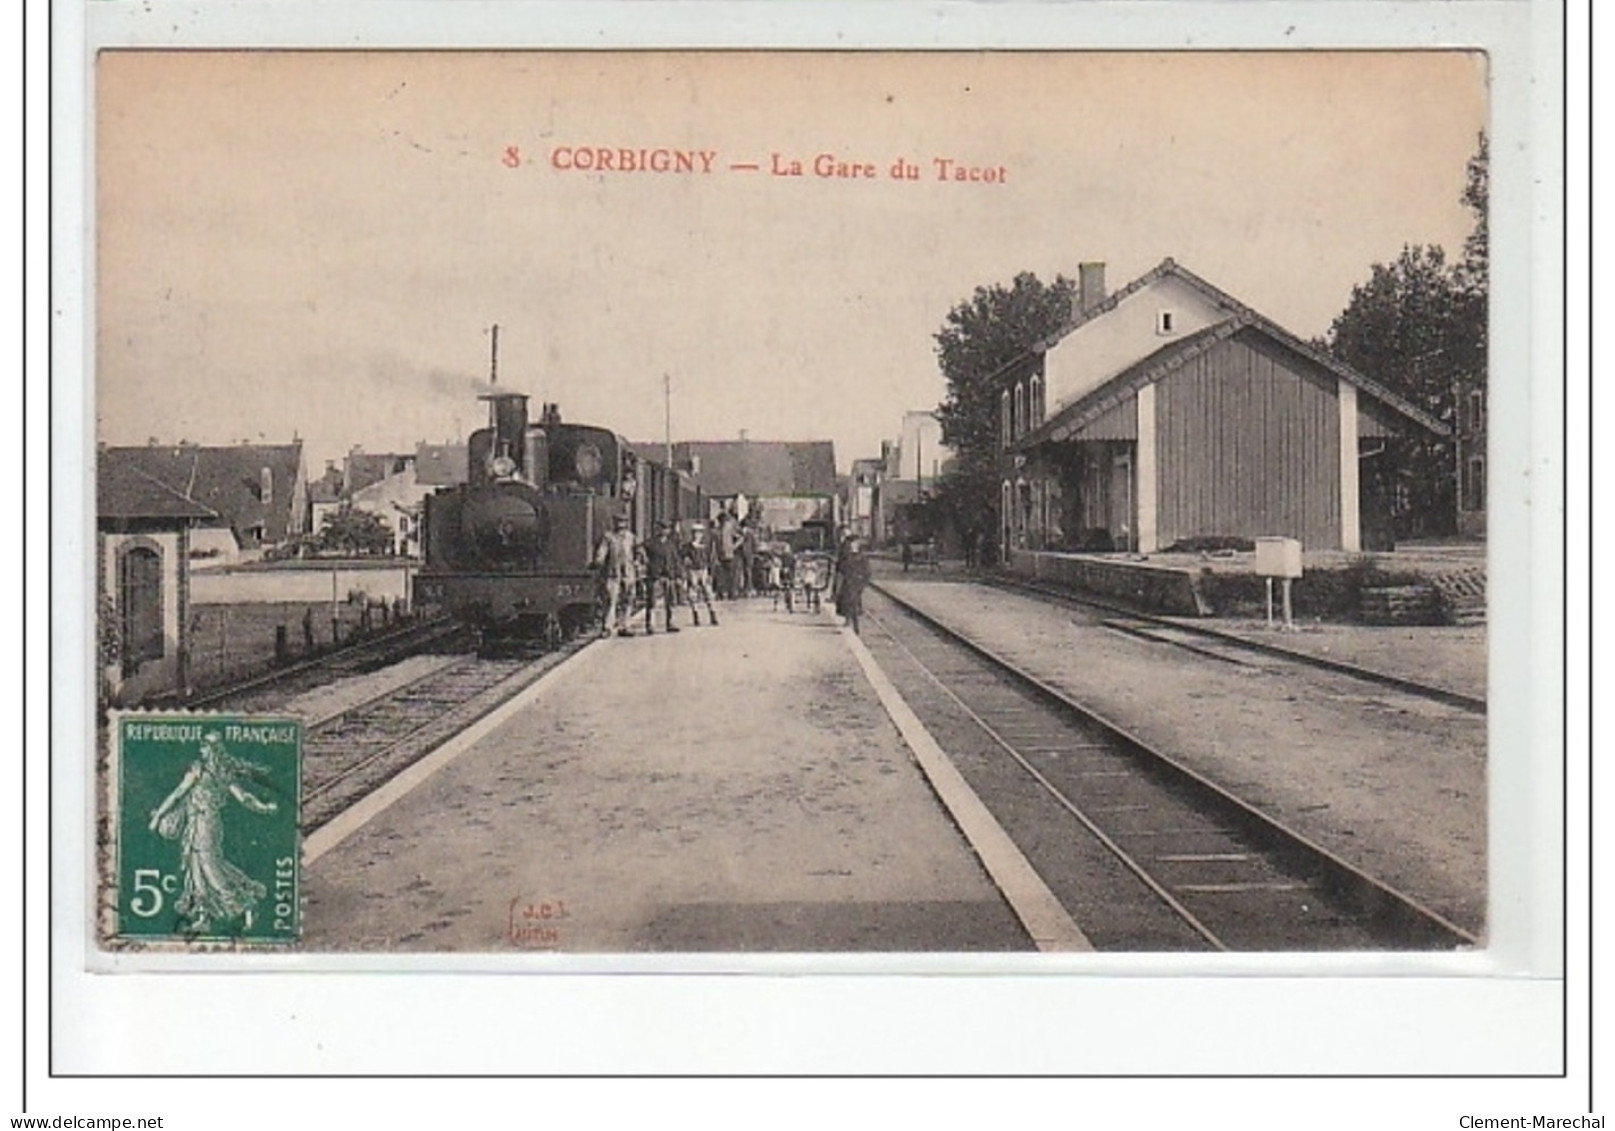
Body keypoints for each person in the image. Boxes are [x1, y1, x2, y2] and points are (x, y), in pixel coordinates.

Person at [147, 731, 278, 933]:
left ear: (211, 749)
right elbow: (245, 798)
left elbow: (177, 795)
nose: (201, 750)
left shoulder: (198, 771)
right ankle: (204, 917)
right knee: (197, 868)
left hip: (203, 824)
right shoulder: (224, 773)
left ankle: (246, 905)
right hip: (203, 823)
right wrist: (263, 807)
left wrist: (158, 817)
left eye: (204, 746)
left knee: (210, 868)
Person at [593, 512, 639, 637]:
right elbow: (602, 551)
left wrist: (638, 563)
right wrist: (599, 560)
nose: (621, 524)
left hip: (628, 573)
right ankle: (608, 627)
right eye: (619, 522)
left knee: (628, 600)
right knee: (611, 600)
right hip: (613, 573)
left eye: (623, 522)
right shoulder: (609, 537)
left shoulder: (631, 537)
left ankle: (625, 625)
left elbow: (637, 552)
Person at [642, 521, 683, 634]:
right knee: (652, 601)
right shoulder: (650, 543)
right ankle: (650, 625)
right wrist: (645, 564)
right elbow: (640, 551)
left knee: (670, 601)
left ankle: (670, 623)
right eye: (662, 528)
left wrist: (679, 575)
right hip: (655, 576)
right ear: (658, 529)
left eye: (667, 529)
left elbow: (676, 560)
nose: (665, 531)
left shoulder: (671, 544)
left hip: (669, 575)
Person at [681, 524, 719, 626]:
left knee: (708, 592)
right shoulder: (687, 547)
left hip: (703, 570)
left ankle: (712, 614)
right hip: (692, 571)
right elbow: (683, 559)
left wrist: (710, 572)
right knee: (692, 593)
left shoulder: (706, 546)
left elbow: (710, 558)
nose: (697, 535)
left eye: (699, 533)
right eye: (695, 533)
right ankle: (696, 614)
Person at [836, 535, 871, 634]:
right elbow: (841, 568)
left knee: (854, 603)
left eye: (854, 544)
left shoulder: (862, 556)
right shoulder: (846, 556)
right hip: (847, 581)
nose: (852, 546)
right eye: (851, 544)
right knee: (847, 602)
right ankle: (850, 622)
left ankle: (855, 625)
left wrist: (863, 581)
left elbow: (867, 571)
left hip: (856, 582)